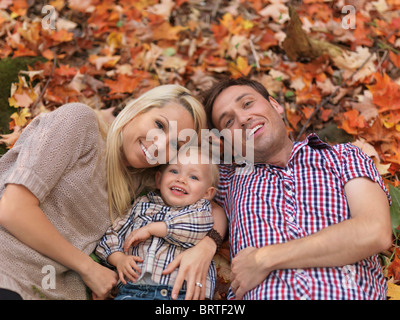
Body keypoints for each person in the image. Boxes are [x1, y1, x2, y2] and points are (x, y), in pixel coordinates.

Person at [0, 84, 226, 300]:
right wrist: (88, 268)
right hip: (8, 272)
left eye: (176, 145)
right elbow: (12, 208)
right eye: (159, 125)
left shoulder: (145, 184)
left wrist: (208, 245)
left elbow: (210, 205)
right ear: (138, 110)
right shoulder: (80, 124)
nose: (159, 144)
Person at [201, 77, 393, 300]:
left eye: (247, 104)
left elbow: (374, 232)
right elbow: (167, 150)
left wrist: (264, 258)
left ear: (275, 105)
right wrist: (206, 245)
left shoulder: (343, 157)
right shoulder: (226, 180)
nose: (243, 119)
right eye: (228, 122)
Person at [95, 146, 220, 300]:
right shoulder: (140, 205)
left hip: (182, 293)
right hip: (133, 290)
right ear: (159, 179)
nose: (181, 179)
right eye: (174, 171)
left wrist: (153, 228)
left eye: (193, 177)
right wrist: (118, 258)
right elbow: (111, 235)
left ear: (207, 193)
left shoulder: (200, 210)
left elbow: (196, 228)